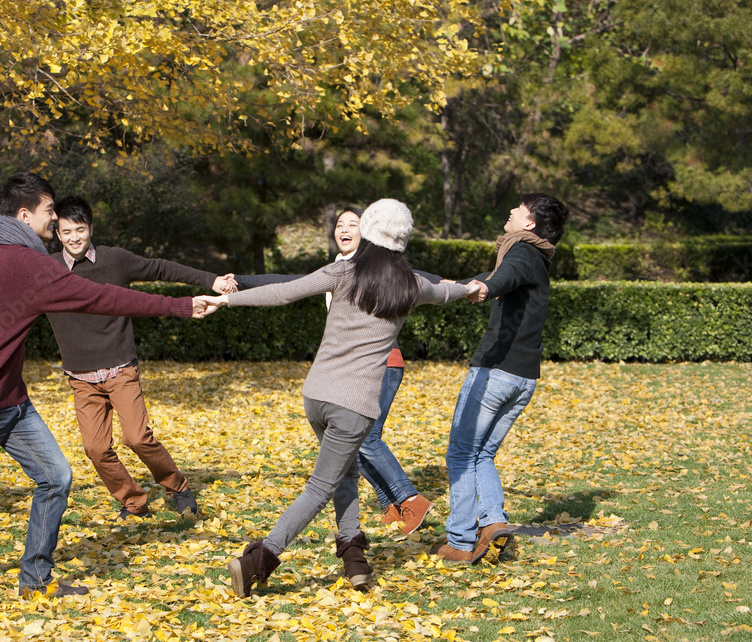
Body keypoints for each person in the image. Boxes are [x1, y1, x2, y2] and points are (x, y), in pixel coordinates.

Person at [0, 173, 213, 599]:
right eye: (49, 210)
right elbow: (104, 298)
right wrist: (179, 306)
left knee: (55, 477)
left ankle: (35, 580)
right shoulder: (33, 266)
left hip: (12, 401)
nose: (54, 219)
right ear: (23, 214)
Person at [203, 199, 483, 596]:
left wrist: (226, 299)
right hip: (354, 406)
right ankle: (257, 561)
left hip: (316, 396)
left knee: (345, 475)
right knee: (320, 487)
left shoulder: (344, 270)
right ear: (402, 240)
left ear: (368, 232)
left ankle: (355, 560)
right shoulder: (411, 285)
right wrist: (471, 289)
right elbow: (445, 291)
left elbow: (283, 293)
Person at [236, 206, 432, 534]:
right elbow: (286, 285)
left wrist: (470, 287)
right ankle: (390, 504)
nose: (344, 228)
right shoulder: (339, 269)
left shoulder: (374, 267)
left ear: (368, 233)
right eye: (339, 224)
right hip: (349, 375)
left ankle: (409, 498)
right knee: (355, 442)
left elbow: (432, 284)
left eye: (352, 224)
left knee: (366, 436)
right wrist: (239, 281)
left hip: (381, 365)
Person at [46, 195, 236, 521]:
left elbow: (161, 267)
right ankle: (133, 501)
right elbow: (5, 284)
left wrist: (211, 280)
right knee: (95, 449)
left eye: (80, 229)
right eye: (67, 232)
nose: (74, 237)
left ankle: (177, 486)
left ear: (90, 228)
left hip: (120, 368)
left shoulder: (114, 260)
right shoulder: (46, 269)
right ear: (57, 234)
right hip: (81, 378)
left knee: (137, 437)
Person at [431, 193, 568, 565]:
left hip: (496, 373)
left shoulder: (521, 252)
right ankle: (492, 523)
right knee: (483, 453)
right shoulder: (537, 258)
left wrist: (488, 287)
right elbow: (495, 277)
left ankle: (460, 542)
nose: (510, 210)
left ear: (530, 224)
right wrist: (451, 286)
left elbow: (503, 277)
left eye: (518, 209)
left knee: (461, 453)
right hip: (524, 379)